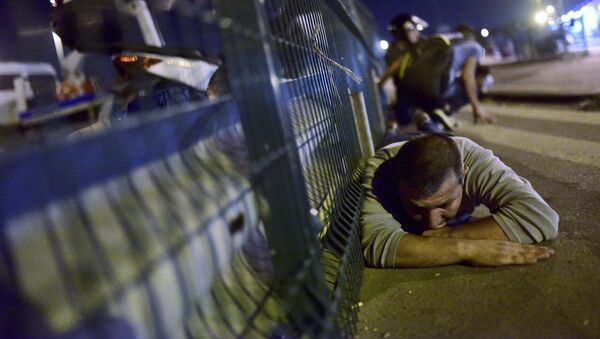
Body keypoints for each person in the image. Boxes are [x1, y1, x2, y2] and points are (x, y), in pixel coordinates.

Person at [360, 134, 559, 268]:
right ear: (397, 184)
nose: (432, 222)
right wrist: (465, 248)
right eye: (416, 207)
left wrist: (447, 235)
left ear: (464, 176)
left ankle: (428, 122)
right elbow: (376, 244)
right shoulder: (382, 172)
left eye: (445, 204)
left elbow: (541, 217)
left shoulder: (474, 161)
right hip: (398, 143)